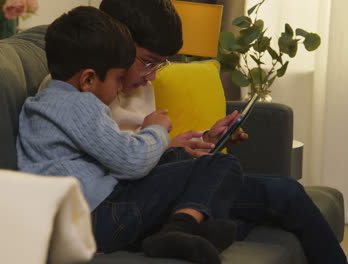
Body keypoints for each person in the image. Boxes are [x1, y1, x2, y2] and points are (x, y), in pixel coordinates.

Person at [93, 0, 347, 263]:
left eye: (160, 65)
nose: (152, 76)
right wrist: (165, 149)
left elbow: (146, 145)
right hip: (134, 198)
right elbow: (108, 167)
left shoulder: (141, 85)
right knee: (232, 209)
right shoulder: (81, 92)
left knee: (286, 192)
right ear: (114, 44)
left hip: (165, 179)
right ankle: (188, 227)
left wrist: (203, 139)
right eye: (147, 62)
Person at [17, 6, 244, 264]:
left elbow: (113, 154)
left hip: (78, 220)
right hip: (98, 217)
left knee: (180, 159)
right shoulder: (81, 104)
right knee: (222, 165)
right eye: (118, 78)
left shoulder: (39, 105)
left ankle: (182, 230)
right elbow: (132, 162)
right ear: (88, 79)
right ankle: (179, 228)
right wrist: (155, 130)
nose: (118, 89)